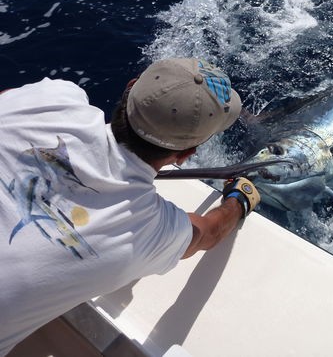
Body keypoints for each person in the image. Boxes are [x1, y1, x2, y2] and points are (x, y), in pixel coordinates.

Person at [0, 58, 260, 356]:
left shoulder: (53, 98)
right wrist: (239, 199)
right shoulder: (147, 230)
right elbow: (207, 233)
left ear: (130, 88)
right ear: (186, 154)